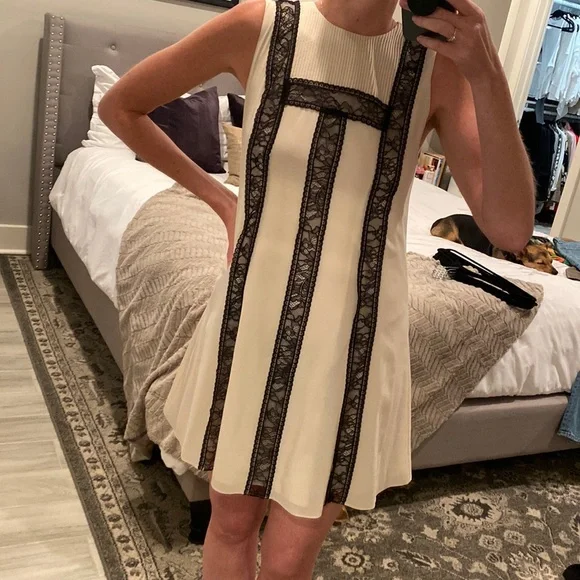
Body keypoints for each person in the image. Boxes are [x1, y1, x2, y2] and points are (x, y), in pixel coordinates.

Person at [99, 0, 534, 577]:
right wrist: (221, 200)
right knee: (231, 526)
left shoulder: (438, 65)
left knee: (290, 559)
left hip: (351, 345)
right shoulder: (260, 24)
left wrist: (487, 73)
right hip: (251, 322)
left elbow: (511, 229)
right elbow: (121, 107)